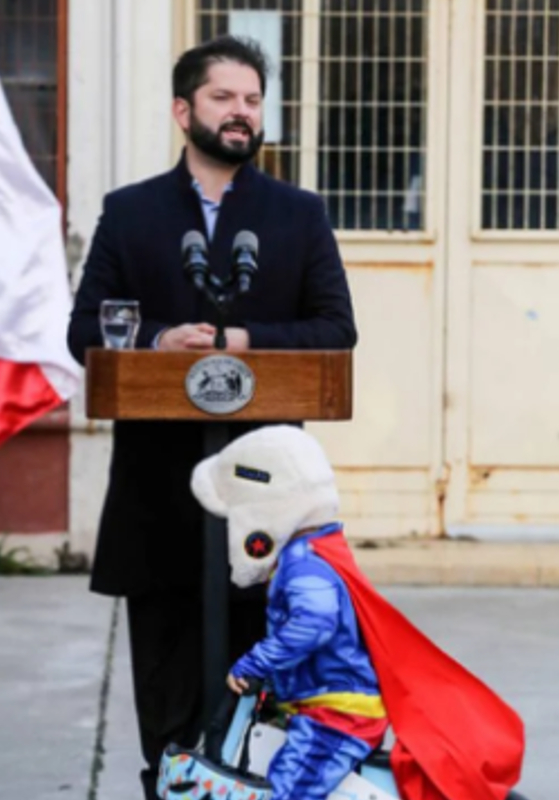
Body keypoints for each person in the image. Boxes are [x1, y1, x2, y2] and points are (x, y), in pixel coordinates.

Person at [65, 35, 357, 800]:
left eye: (253, 100)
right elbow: (84, 328)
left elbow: (335, 330)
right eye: (224, 97)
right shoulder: (129, 213)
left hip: (268, 503)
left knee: (266, 696)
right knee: (166, 689)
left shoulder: (297, 214)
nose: (241, 113)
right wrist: (162, 340)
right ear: (182, 109)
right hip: (160, 493)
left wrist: (240, 340)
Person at [163, 425, 526, 800]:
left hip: (334, 718)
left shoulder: (304, 564)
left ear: (263, 509)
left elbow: (315, 621)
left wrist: (258, 662)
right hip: (326, 707)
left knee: (290, 790)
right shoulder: (317, 549)